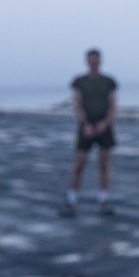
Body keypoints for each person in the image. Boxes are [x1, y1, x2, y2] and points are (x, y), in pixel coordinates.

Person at [59, 48, 118, 217]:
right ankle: (71, 201)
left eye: (96, 59)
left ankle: (104, 200)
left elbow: (113, 105)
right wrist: (85, 124)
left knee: (104, 165)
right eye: (91, 59)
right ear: (87, 61)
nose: (94, 62)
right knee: (79, 164)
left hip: (104, 128)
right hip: (85, 127)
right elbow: (76, 104)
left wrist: (105, 123)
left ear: (100, 61)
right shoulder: (79, 81)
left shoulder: (109, 82)